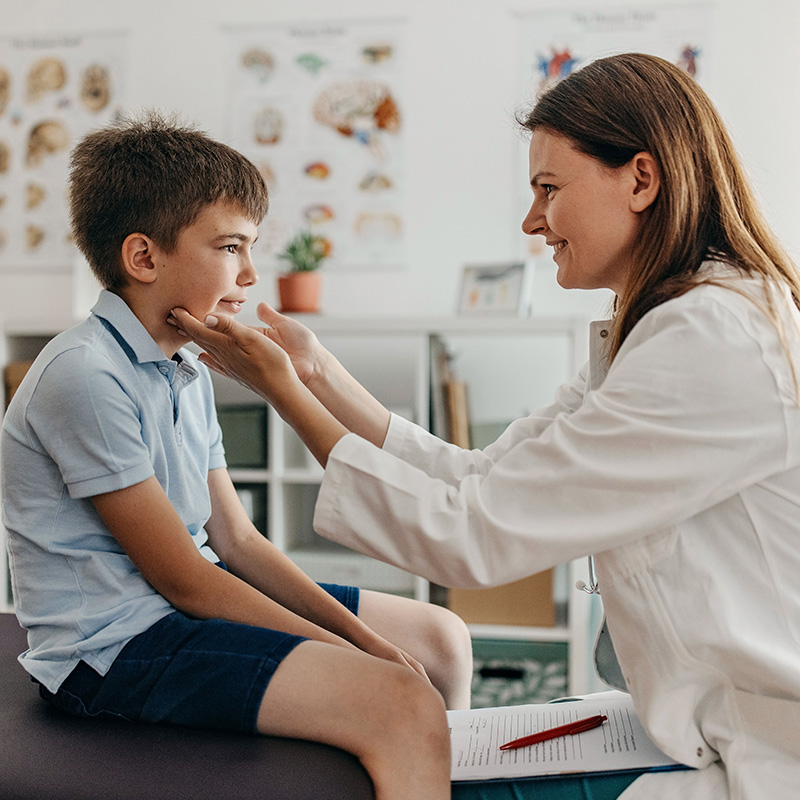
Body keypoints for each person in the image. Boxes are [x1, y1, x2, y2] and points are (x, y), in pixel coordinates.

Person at [170, 52, 800, 800]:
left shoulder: (709, 342)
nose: (532, 220)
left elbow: (470, 533)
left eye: (548, 190)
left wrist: (284, 393)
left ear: (641, 178)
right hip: (698, 719)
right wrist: (314, 376)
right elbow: (479, 476)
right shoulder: (662, 330)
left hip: (761, 749)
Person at [0, 112, 475, 800]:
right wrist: (360, 654)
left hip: (179, 607)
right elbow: (187, 580)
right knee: (397, 698)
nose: (252, 274)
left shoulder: (187, 366)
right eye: (231, 247)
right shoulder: (83, 374)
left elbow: (237, 540)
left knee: (441, 636)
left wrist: (361, 639)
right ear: (143, 258)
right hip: (113, 651)